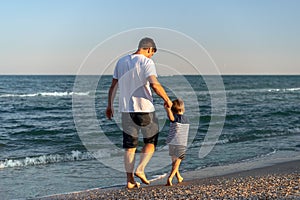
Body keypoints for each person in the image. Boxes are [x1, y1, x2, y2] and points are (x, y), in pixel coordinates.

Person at [106, 37, 172, 189]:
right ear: (149, 49)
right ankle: (140, 169)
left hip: (126, 110)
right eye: (152, 53)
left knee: (130, 147)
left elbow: (113, 87)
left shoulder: (121, 62)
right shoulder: (146, 62)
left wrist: (109, 106)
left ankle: (129, 180)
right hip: (144, 109)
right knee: (151, 142)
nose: (151, 56)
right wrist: (167, 100)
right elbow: (155, 85)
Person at [164, 98, 189, 186]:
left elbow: (171, 118)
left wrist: (167, 109)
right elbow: (171, 118)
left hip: (172, 142)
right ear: (183, 109)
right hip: (180, 143)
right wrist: (168, 110)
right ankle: (170, 178)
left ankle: (178, 177)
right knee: (177, 162)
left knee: (174, 162)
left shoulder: (175, 117)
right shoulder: (184, 118)